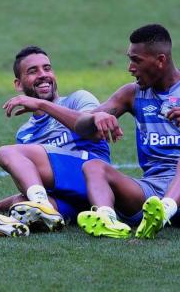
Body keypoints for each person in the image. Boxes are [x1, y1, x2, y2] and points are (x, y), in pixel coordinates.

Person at [0, 46, 111, 237]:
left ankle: (41, 207)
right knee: (21, 204)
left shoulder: (78, 99)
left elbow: (90, 126)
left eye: (47, 68)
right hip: (73, 200)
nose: (43, 75)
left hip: (96, 182)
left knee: (6, 152)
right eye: (33, 71)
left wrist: (43, 105)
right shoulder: (25, 133)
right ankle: (19, 222)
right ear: (18, 85)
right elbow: (36, 184)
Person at [73, 24, 180, 239]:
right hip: (152, 191)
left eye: (136, 60)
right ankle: (107, 219)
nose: (130, 68)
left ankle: (166, 210)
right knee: (94, 167)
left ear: (160, 60)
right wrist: (96, 117)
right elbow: (81, 128)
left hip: (172, 193)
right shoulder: (132, 93)